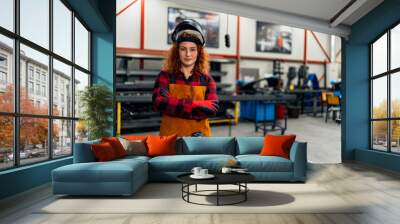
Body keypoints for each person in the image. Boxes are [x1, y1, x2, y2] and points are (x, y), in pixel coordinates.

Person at [152, 19, 219, 137]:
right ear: (177, 52)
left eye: (192, 49)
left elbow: (213, 107)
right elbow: (159, 102)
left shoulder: (207, 80)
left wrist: (175, 106)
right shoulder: (165, 76)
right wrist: (197, 106)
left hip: (200, 140)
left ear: (199, 52)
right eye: (183, 49)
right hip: (170, 140)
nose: (188, 54)